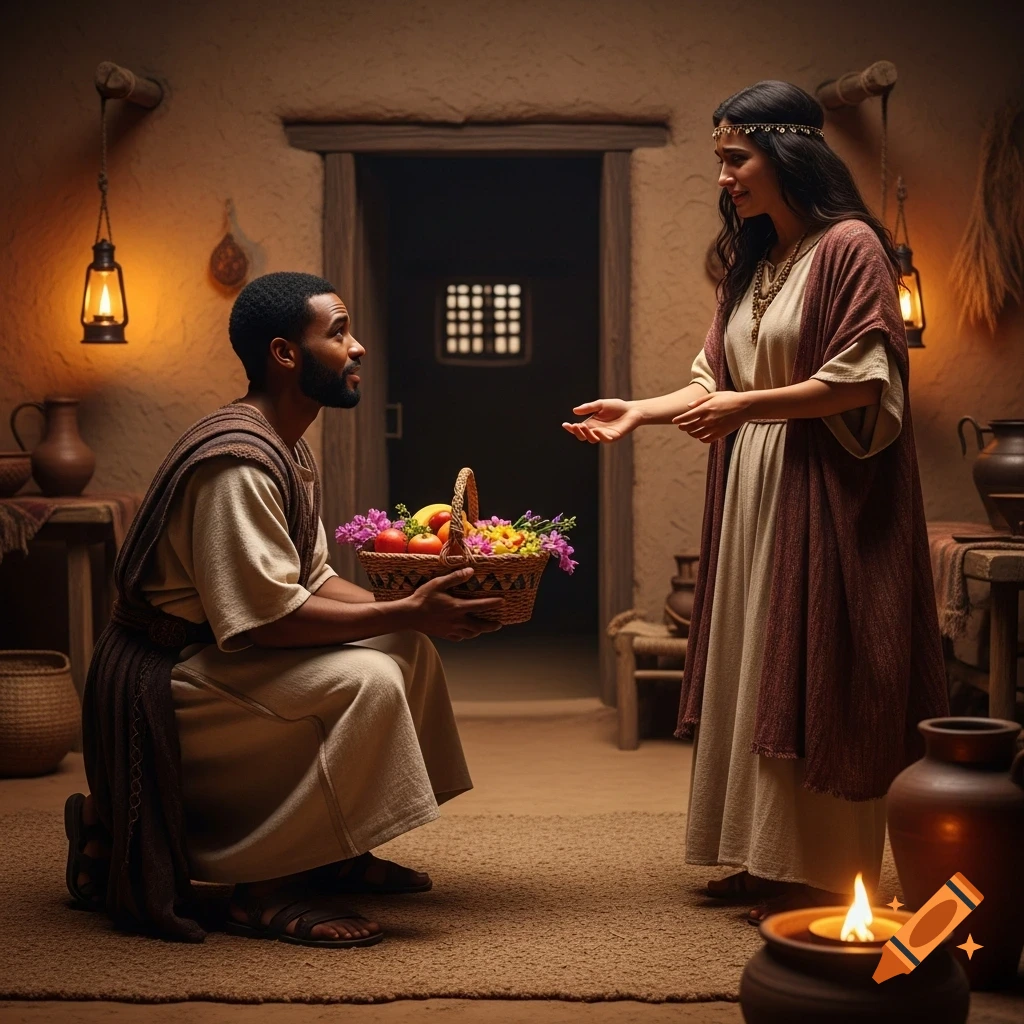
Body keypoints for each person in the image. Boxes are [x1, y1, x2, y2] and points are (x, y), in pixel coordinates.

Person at [564, 81, 947, 923]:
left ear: (786, 153)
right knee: (754, 662)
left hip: (824, 490)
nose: (724, 177)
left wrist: (744, 409)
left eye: (736, 158)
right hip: (752, 490)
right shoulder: (756, 258)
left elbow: (863, 381)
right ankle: (763, 855)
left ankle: (821, 871)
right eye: (720, 160)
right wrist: (639, 412)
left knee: (821, 668)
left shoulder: (851, 247)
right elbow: (715, 379)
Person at [66, 271, 504, 948]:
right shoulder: (237, 467)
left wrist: (415, 611)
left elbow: (312, 580)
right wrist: (407, 611)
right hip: (162, 678)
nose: (357, 348)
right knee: (368, 679)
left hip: (214, 655)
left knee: (405, 651)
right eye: (339, 333)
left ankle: (335, 848)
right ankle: (265, 889)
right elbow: (268, 623)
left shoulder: (287, 445)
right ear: (285, 354)